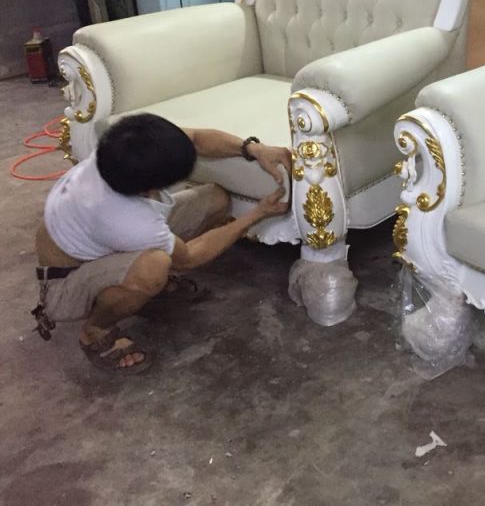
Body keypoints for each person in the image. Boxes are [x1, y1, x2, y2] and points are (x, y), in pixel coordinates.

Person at [33, 113, 291, 374]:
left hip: (100, 240)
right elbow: (190, 257)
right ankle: (95, 330)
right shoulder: (125, 219)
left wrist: (254, 149)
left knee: (216, 200)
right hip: (65, 280)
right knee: (154, 266)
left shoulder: (118, 152)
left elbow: (196, 138)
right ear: (148, 189)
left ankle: (143, 289)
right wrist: (256, 214)